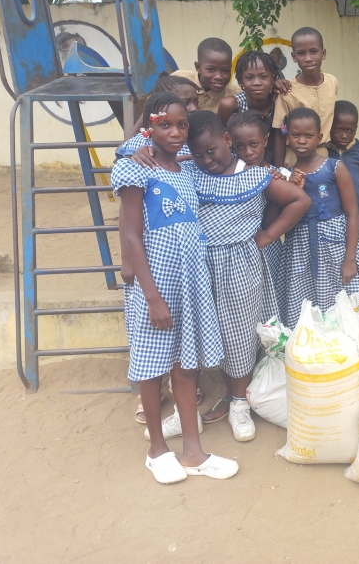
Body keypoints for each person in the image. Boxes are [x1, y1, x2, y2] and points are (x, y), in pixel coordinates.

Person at [112, 93, 236, 483]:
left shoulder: (186, 171)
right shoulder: (136, 170)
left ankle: (194, 453)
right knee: (151, 366)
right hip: (155, 284)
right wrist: (151, 296)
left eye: (182, 125)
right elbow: (132, 236)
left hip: (190, 281)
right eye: (165, 125)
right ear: (149, 127)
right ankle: (156, 451)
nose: (176, 133)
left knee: (187, 366)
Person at [185, 110, 309, 440]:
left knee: (239, 332)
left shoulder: (256, 176)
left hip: (240, 265)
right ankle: (198, 401)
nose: (206, 159)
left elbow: (299, 199)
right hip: (200, 266)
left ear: (228, 141)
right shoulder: (190, 172)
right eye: (198, 154)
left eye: (211, 151)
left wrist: (267, 235)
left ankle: (239, 402)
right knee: (199, 333)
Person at [281, 108, 359, 328]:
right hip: (300, 253)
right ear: (288, 137)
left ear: (320, 138)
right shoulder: (288, 174)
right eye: (296, 135)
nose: (302, 141)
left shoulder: (335, 168)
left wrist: (350, 259)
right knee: (305, 305)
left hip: (337, 250)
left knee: (352, 302)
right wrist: (290, 184)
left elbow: (353, 214)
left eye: (308, 135)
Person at [273, 27, 339, 167]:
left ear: (323, 53)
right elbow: (280, 133)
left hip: (324, 156)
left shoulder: (332, 82)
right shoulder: (287, 91)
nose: (308, 58)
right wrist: (280, 171)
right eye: (301, 53)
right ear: (293, 57)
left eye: (314, 51)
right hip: (295, 158)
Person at [217, 50, 285, 166]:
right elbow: (221, 142)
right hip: (238, 167)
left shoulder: (279, 101)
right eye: (249, 77)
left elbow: (282, 135)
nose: (257, 83)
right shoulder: (230, 105)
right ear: (240, 81)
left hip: (272, 166)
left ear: (273, 78)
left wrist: (279, 171)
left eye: (263, 76)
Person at [326, 100, 359, 240]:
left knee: (356, 261)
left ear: (356, 128)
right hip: (331, 225)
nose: (344, 135)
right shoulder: (323, 151)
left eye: (350, 130)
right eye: (339, 129)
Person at [171, 38, 241, 112]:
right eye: (211, 69)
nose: (219, 77)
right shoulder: (177, 81)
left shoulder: (235, 95)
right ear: (198, 67)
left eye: (225, 70)